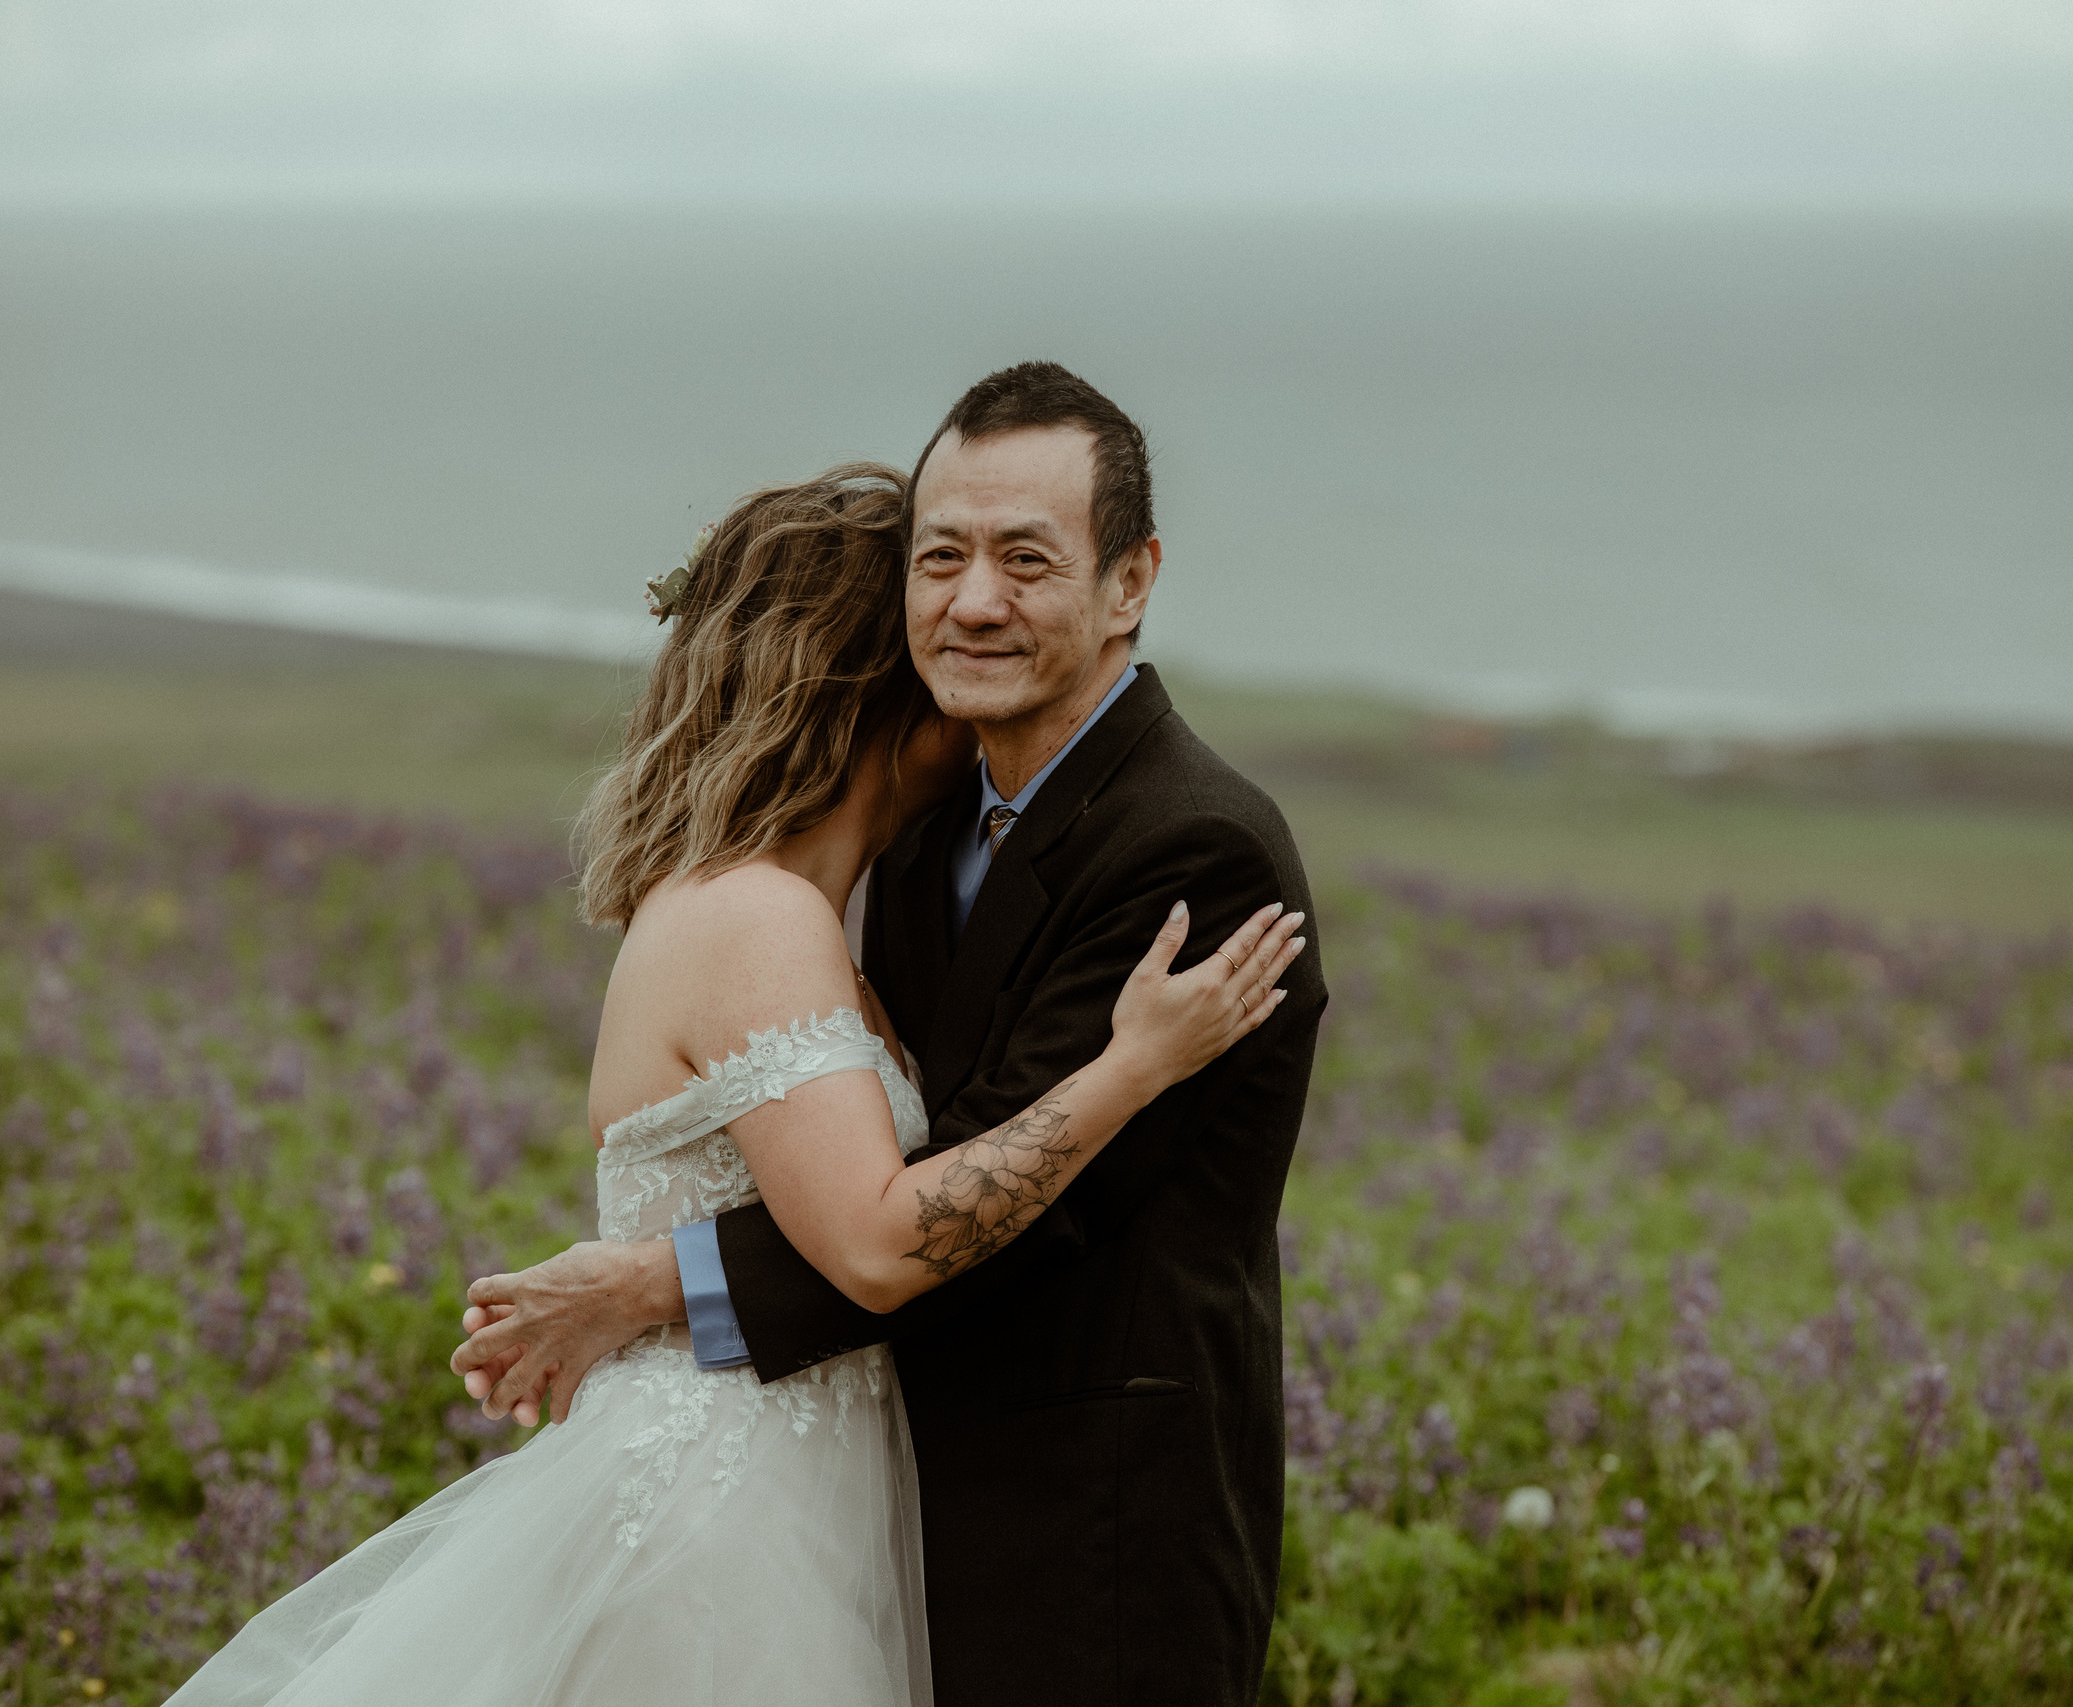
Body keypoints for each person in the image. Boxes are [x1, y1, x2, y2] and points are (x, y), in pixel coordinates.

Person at [167, 458, 1305, 1706]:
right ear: (876, 685)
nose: (968, 646)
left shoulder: (848, 895)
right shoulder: (759, 919)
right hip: (736, 1490)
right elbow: (879, 1241)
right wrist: (1130, 1066)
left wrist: (659, 1281)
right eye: (932, 624)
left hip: (831, 1476)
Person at [457, 364, 1329, 1707]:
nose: (975, 598)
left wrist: (660, 1282)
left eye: (1026, 558)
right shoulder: (916, 846)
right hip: (858, 1509)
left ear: (1129, 582)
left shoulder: (1190, 845)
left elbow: (1022, 1208)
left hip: (1088, 1533)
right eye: (943, 557)